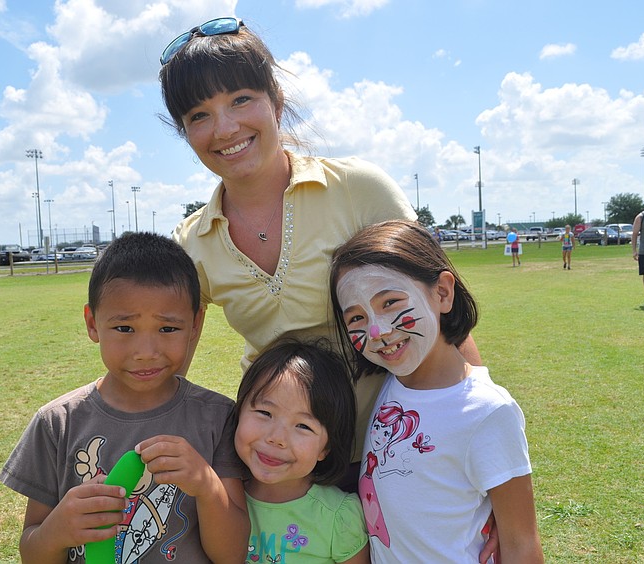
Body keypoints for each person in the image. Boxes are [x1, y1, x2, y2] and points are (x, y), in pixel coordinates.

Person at [159, 15, 481, 461]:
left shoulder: (357, 189)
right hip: (280, 463)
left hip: (398, 447)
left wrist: (479, 423)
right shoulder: (191, 241)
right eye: (199, 115)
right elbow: (165, 359)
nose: (225, 128)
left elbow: (442, 317)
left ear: (276, 102)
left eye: (240, 99)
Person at [0, 232, 249, 564]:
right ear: (93, 324)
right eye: (125, 329)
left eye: (168, 329)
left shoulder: (218, 417)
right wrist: (57, 530)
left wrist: (206, 484)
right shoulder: (58, 423)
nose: (145, 352)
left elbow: (232, 554)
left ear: (195, 324)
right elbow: (32, 554)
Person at [329, 220, 543, 562]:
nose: (376, 331)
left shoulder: (488, 410)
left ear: (442, 293)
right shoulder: (390, 384)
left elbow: (521, 542)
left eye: (390, 302)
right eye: (356, 318)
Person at [232, 339, 370, 563]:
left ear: (326, 448)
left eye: (303, 426)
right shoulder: (221, 494)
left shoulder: (338, 516)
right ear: (238, 410)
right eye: (265, 413)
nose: (277, 438)